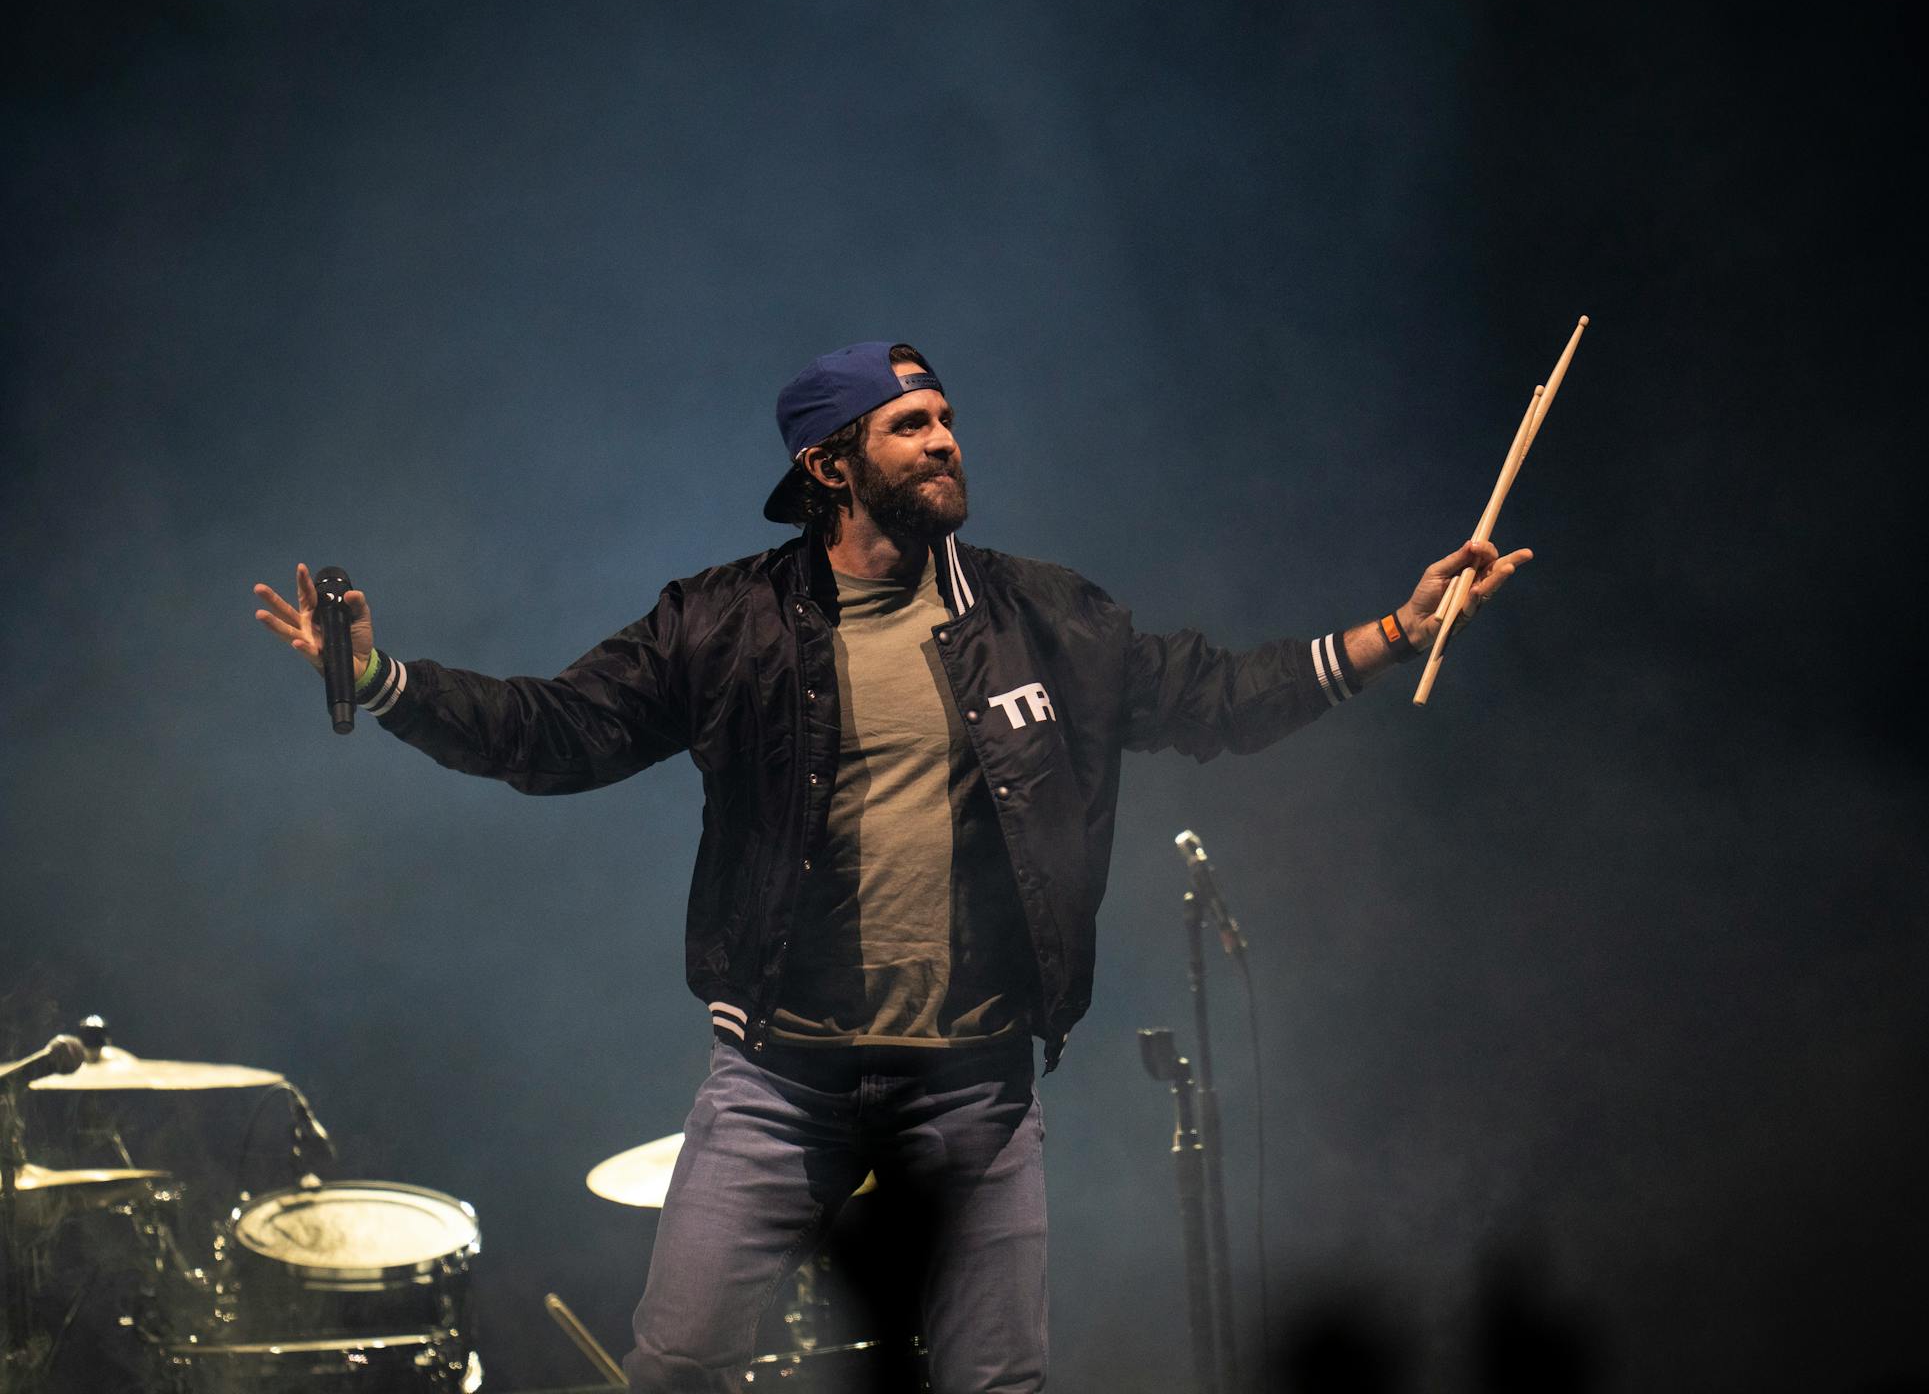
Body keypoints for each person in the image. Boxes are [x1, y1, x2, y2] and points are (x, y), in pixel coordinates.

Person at [251, 340, 1531, 1392]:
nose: (946, 441)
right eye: (911, 424)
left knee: (995, 1389)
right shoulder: (724, 619)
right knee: (679, 1366)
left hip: (971, 1086)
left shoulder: (1043, 616)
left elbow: (1213, 695)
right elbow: (557, 733)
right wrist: (379, 678)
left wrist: (1398, 629)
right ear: (829, 462)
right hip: (780, 1081)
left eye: (947, 418)